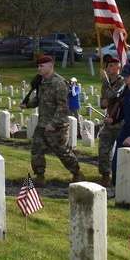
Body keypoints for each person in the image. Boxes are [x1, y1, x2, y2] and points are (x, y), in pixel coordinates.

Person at [20, 56, 84, 186]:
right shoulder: (42, 82)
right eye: (38, 66)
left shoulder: (59, 83)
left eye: (41, 66)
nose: (39, 68)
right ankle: (40, 176)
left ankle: (77, 173)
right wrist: (28, 105)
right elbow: (39, 99)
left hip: (57, 126)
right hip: (43, 123)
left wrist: (53, 124)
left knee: (62, 151)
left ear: (50, 66)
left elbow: (62, 106)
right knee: (37, 150)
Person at [96, 55, 123, 186]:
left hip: (120, 122)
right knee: (103, 148)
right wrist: (103, 103)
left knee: (123, 150)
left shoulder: (122, 82)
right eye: (108, 66)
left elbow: (114, 94)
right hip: (108, 121)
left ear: (118, 67)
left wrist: (105, 80)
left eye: (112, 65)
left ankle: (126, 173)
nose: (109, 68)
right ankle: (105, 175)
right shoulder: (106, 83)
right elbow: (103, 100)